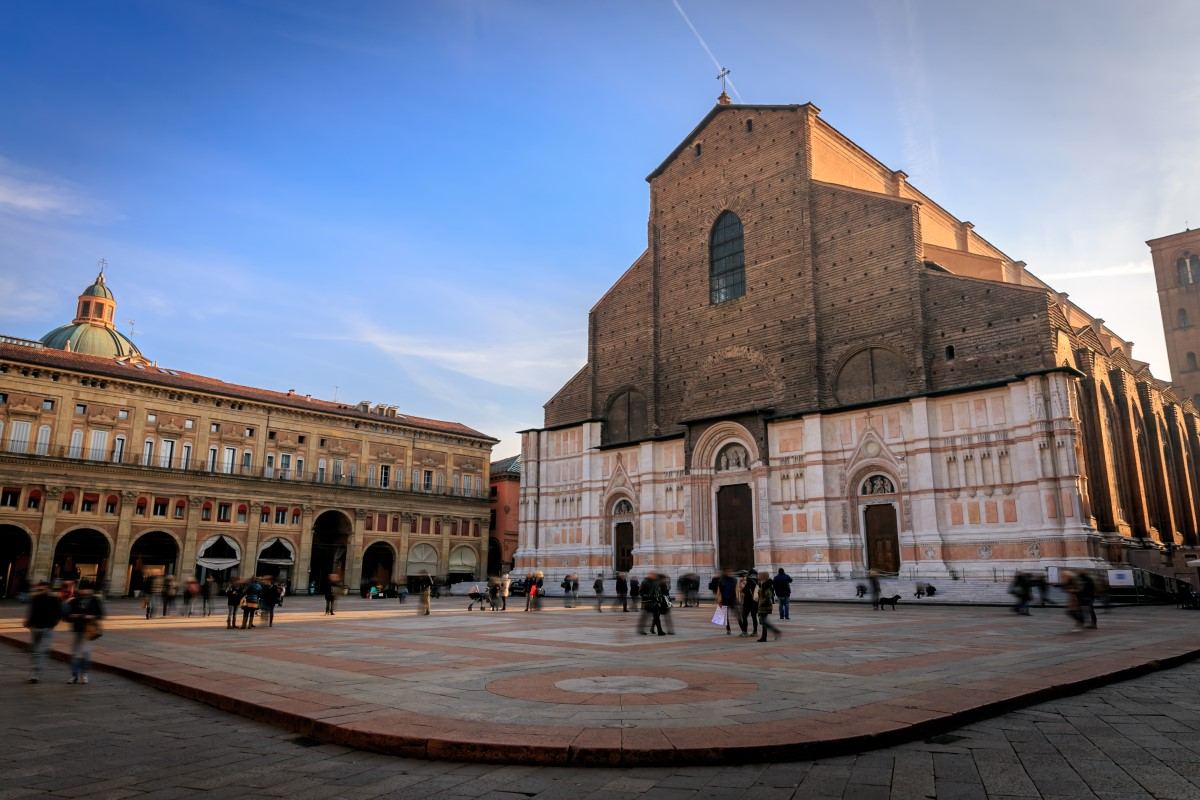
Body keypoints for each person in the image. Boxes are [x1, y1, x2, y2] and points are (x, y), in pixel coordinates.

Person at [64, 580, 104, 684]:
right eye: (83, 589)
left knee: (86, 653)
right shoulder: (75, 600)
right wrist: (73, 616)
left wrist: (92, 616)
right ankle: (74, 675)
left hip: (88, 631)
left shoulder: (95, 600)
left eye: (87, 589)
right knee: (75, 654)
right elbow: (67, 616)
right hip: (78, 629)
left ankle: (84, 674)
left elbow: (101, 614)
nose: (85, 591)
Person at [24, 580, 62, 683]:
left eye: (43, 589)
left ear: (48, 589)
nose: (41, 590)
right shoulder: (35, 599)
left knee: (41, 651)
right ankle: (34, 671)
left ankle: (36, 673)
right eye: (40, 589)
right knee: (35, 650)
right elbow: (31, 611)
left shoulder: (54, 599)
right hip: (35, 628)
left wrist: (53, 624)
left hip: (47, 628)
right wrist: (28, 622)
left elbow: (59, 613)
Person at [755, 571, 781, 642]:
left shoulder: (766, 584)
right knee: (763, 621)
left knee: (763, 621)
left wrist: (761, 602)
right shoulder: (763, 584)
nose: (758, 576)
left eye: (759, 575)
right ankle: (766, 636)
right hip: (763, 604)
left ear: (763, 576)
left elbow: (768, 595)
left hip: (765, 605)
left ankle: (772, 633)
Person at [638, 570, 666, 636]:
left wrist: (659, 599)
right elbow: (640, 592)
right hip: (647, 602)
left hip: (655, 602)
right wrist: (648, 596)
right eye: (653, 574)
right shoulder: (645, 582)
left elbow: (658, 591)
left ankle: (660, 631)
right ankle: (641, 630)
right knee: (645, 617)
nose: (654, 576)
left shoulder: (656, 582)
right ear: (649, 575)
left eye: (655, 575)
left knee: (656, 617)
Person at [716, 569, 739, 636]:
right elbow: (719, 591)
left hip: (729, 600)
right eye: (729, 572)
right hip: (728, 600)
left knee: (734, 615)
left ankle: (740, 628)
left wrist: (718, 600)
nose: (730, 573)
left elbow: (736, 590)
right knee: (727, 616)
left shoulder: (724, 580)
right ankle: (729, 629)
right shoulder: (732, 580)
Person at [739, 571, 759, 638]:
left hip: (747, 602)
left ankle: (745, 632)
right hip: (755, 602)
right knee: (754, 617)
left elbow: (743, 591)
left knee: (744, 616)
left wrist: (741, 584)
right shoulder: (758, 582)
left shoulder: (749, 582)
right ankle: (755, 632)